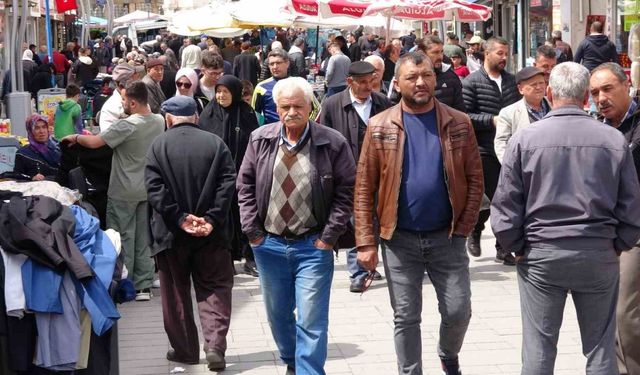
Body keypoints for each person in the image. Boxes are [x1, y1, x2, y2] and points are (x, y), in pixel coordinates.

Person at [491, 61, 640, 375]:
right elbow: (631, 206)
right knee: (600, 348)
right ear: (586, 96)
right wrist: (617, 244)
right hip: (598, 253)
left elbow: (505, 207)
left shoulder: (524, 139)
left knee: (539, 349)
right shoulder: (613, 141)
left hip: (541, 254)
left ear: (548, 93)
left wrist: (518, 246)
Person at [354, 51, 483, 375]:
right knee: (406, 316)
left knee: (458, 311)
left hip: (447, 238)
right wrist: (366, 243)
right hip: (399, 241)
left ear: (436, 78)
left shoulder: (459, 122)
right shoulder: (380, 125)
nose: (421, 82)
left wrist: (464, 229)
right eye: (412, 77)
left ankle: (447, 353)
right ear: (397, 83)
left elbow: (475, 178)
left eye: (426, 75)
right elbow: (364, 186)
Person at [237, 77, 355, 375]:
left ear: (310, 106)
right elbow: (245, 185)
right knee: (278, 315)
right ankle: (291, 359)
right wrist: (253, 233)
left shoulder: (332, 142)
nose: (291, 112)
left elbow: (347, 191)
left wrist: (328, 238)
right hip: (269, 246)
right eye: (285, 106)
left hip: (313, 246)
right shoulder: (260, 138)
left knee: (312, 319)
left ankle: (308, 370)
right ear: (276, 108)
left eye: (297, 106)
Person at [145, 96, 236, 371]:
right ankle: (215, 345)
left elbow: (154, 189)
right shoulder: (216, 144)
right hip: (213, 234)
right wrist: (211, 219)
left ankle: (185, 351)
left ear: (168, 119)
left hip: (171, 235)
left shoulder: (157, 146)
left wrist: (181, 218)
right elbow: (227, 184)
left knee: (175, 293)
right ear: (196, 117)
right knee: (215, 288)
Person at [61, 81, 165, 301]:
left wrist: (75, 137)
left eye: (125, 100)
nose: (123, 104)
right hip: (147, 188)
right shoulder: (158, 121)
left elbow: (95, 142)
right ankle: (144, 284)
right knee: (143, 236)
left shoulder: (126, 126)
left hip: (123, 190)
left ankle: (124, 283)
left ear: (134, 102)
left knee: (122, 236)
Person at [318, 61, 392, 292]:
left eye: (372, 81)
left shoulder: (383, 103)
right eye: (362, 82)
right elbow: (324, 140)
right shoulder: (331, 105)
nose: (368, 86)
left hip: (379, 173)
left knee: (379, 220)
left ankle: (373, 263)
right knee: (354, 221)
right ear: (349, 82)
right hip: (347, 175)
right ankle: (358, 272)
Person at [590, 62, 640, 375]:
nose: (601, 97)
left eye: (608, 89)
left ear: (626, 84)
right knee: (616, 314)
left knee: (625, 313)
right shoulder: (598, 129)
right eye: (594, 92)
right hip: (611, 232)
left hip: (634, 232)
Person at [462, 37, 521, 263]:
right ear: (486, 53)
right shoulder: (472, 82)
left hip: (508, 149)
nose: (504, 57)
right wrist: (491, 120)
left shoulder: (511, 81)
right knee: (490, 198)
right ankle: (476, 229)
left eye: (506, 53)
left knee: (506, 199)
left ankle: (503, 247)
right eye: (499, 53)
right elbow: (465, 116)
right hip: (484, 149)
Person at [198, 75, 259, 277]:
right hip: (218, 179)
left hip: (243, 176)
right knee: (222, 217)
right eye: (218, 91)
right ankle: (226, 259)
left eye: (225, 91)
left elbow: (253, 144)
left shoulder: (246, 113)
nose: (221, 95)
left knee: (246, 217)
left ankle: (249, 258)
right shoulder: (208, 115)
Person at [494, 67, 550, 162]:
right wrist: (511, 167)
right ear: (520, 89)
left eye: (541, 83)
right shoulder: (508, 113)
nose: (539, 87)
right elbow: (501, 143)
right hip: (524, 168)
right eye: (533, 84)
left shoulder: (555, 106)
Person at [418, 35, 466, 112]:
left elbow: (460, 109)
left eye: (441, 52)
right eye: (435, 52)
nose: (440, 57)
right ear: (422, 53)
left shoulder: (451, 76)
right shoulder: (408, 77)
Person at [14, 114, 61, 181]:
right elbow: (17, 177)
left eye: (44, 127)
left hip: (62, 188)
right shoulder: (23, 153)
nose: (41, 131)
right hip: (37, 189)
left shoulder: (58, 147)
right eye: (37, 128)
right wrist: (31, 178)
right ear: (30, 131)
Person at [99, 63, 141, 131]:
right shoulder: (111, 107)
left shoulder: (139, 98)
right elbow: (108, 137)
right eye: (136, 80)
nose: (140, 81)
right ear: (123, 85)